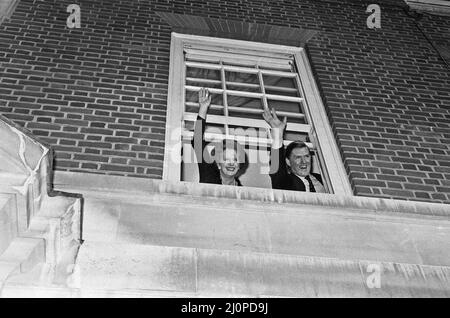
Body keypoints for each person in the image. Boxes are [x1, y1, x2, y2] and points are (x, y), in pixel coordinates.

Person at [191, 88, 248, 186]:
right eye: (225, 159)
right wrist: (203, 109)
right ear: (218, 164)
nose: (231, 163)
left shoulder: (243, 192)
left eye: (235, 159)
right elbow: (197, 142)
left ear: (240, 165)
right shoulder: (209, 176)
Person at [263, 108, 326, 193]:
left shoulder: (323, 179)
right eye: (298, 157)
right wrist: (278, 136)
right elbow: (276, 168)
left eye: (306, 156)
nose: (304, 161)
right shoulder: (284, 182)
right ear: (288, 162)